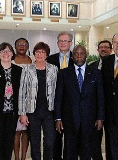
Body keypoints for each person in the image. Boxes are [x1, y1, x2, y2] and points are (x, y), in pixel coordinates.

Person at [54, 45, 105, 159]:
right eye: (76, 53)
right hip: (70, 119)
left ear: (86, 55)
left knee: (86, 150)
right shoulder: (64, 73)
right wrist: (58, 118)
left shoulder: (96, 73)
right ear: (72, 56)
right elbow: (59, 97)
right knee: (69, 150)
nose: (79, 56)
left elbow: (100, 97)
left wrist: (100, 117)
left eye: (82, 53)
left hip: (89, 120)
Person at [19, 42, 58, 160]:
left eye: (42, 52)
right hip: (32, 111)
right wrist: (22, 113)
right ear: (34, 54)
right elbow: (22, 91)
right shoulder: (27, 69)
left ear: (47, 54)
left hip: (49, 111)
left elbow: (57, 89)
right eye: (37, 52)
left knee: (50, 141)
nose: (40, 54)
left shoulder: (53, 69)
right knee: (35, 142)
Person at [46, 31, 74, 160]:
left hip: (72, 106)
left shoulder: (78, 58)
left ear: (70, 43)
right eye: (61, 41)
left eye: (66, 41)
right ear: (57, 43)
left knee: (71, 139)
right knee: (55, 138)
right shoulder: (50, 59)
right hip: (53, 104)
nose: (63, 43)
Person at [89, 40, 112, 160]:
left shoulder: (115, 66)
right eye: (101, 47)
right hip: (95, 110)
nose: (103, 49)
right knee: (94, 141)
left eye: (106, 47)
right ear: (98, 50)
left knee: (111, 141)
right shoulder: (92, 65)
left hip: (111, 109)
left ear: (111, 50)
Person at [12, 38, 32, 160]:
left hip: (30, 100)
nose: (21, 46)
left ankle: (24, 157)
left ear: (28, 47)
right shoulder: (11, 60)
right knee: (16, 131)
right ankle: (16, 157)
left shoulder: (33, 60)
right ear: (15, 46)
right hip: (14, 99)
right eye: (19, 44)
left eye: (24, 44)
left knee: (26, 131)